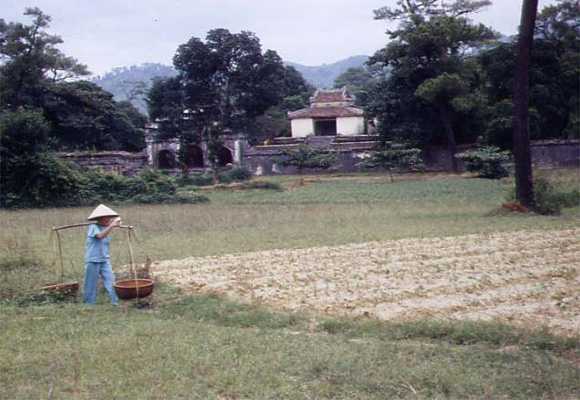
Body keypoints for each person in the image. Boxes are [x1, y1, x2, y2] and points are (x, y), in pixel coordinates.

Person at [84, 204, 121, 305]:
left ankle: (115, 302)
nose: (108, 219)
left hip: (104, 259)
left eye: (109, 218)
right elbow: (100, 236)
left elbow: (106, 232)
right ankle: (89, 304)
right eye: (106, 218)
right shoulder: (93, 226)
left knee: (111, 280)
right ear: (100, 218)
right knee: (91, 283)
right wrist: (111, 226)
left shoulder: (106, 227)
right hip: (93, 259)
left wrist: (114, 224)